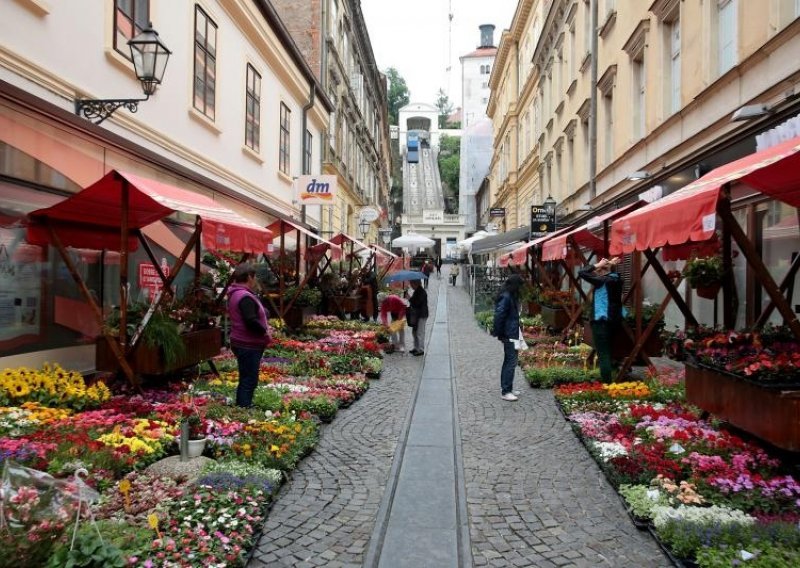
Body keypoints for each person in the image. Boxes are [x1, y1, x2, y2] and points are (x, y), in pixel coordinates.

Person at [227, 263, 272, 407]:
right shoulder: (244, 296)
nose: (255, 280)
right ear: (248, 277)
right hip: (248, 344)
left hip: (241, 341)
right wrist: (264, 331)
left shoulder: (237, 293)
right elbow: (250, 320)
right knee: (249, 379)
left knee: (246, 377)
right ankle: (244, 408)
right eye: (253, 277)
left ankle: (243, 406)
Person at [579, 257, 623, 382]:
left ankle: (607, 384)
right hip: (614, 321)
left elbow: (582, 272)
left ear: (602, 271)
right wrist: (609, 264)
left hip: (601, 321)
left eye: (598, 271)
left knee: (603, 354)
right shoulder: (617, 280)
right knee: (609, 352)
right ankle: (610, 377)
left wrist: (598, 264)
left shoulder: (603, 281)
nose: (596, 273)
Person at [492, 274, 524, 401]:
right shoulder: (507, 297)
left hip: (511, 331)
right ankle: (506, 390)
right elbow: (499, 315)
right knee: (511, 361)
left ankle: (507, 387)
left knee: (510, 360)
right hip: (509, 333)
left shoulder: (508, 295)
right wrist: (499, 332)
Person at [407, 279, 429, 356]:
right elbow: (414, 302)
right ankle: (416, 347)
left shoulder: (421, 292)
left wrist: (409, 298)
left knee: (420, 332)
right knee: (414, 332)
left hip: (421, 315)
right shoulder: (417, 291)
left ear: (415, 283)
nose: (410, 286)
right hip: (417, 315)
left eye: (411, 284)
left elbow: (417, 303)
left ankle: (421, 349)